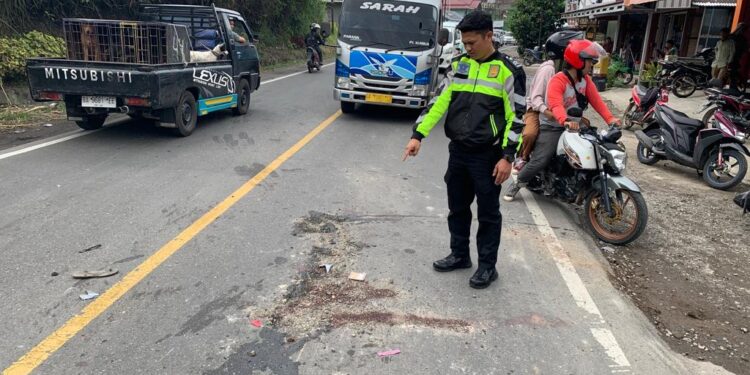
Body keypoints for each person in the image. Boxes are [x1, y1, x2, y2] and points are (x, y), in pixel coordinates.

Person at [402, 11, 518, 289]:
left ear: (489, 36)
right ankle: (459, 254)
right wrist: (418, 135)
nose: (467, 48)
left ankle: (488, 267)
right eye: (464, 43)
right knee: (457, 207)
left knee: (488, 213)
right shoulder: (458, 66)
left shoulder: (508, 71)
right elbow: (439, 102)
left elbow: (519, 115)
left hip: (488, 155)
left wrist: (507, 156)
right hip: (459, 152)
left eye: (472, 43)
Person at [504, 39, 620, 202]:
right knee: (541, 158)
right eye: (590, 61)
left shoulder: (585, 81)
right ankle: (518, 182)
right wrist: (564, 120)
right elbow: (555, 104)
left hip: (575, 125)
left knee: (595, 149)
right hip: (554, 125)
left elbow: (598, 102)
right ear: (578, 61)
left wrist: (611, 119)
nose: (592, 65)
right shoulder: (558, 79)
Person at [515, 30, 582, 174]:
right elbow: (535, 98)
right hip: (537, 110)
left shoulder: (573, 71)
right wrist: (548, 112)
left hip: (561, 112)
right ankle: (523, 159)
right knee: (530, 134)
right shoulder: (548, 70)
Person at [729, 23, 747, 90]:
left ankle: (733, 86)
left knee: (731, 72)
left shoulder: (731, 36)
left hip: (729, 57)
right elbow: (745, 49)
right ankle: (734, 86)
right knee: (733, 72)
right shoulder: (743, 39)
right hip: (735, 58)